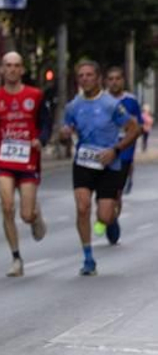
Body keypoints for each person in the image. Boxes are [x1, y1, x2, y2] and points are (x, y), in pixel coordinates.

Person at [61, 59, 140, 276]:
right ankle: (88, 258)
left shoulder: (111, 104)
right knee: (82, 207)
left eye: (89, 75)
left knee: (104, 216)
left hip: (108, 164)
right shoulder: (73, 106)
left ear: (98, 78)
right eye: (81, 76)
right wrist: (64, 135)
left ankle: (110, 220)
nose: (85, 79)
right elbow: (65, 130)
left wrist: (115, 150)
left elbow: (135, 129)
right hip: (83, 162)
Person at [0, 51, 48, 277]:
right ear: (1, 69)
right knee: (7, 206)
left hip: (28, 159)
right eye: (7, 65)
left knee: (25, 215)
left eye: (16, 65)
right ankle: (16, 258)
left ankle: (35, 214)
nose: (11, 69)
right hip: (5, 160)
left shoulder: (36, 96)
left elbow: (45, 124)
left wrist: (42, 139)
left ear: (22, 70)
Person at [105, 64, 142, 217]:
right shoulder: (101, 100)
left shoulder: (131, 101)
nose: (114, 82)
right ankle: (106, 214)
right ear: (106, 81)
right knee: (103, 191)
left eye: (117, 79)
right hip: (103, 150)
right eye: (111, 79)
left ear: (123, 81)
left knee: (115, 192)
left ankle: (111, 220)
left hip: (124, 152)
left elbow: (138, 127)